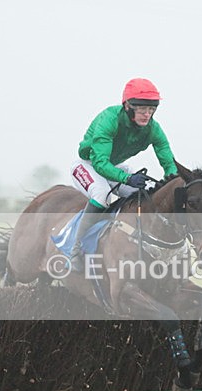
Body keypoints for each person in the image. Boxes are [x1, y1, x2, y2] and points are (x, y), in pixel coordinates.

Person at [68, 78, 179, 272]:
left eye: (151, 109)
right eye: (142, 109)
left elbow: (169, 163)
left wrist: (173, 184)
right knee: (101, 195)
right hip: (89, 164)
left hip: (114, 166)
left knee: (147, 195)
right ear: (128, 106)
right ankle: (76, 249)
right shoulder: (109, 119)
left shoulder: (154, 129)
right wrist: (127, 178)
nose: (147, 114)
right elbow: (100, 163)